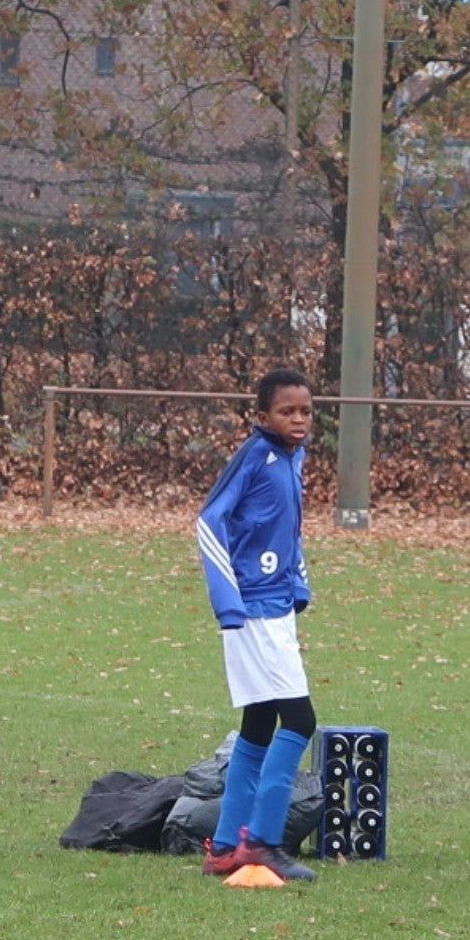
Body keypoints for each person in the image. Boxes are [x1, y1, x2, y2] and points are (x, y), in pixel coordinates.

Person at [195, 367, 320, 883]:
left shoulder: (294, 458)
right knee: (300, 722)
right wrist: (229, 602)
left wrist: (298, 583)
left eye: (306, 411)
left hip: (277, 606)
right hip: (255, 611)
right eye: (287, 411)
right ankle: (264, 842)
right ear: (263, 416)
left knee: (259, 724)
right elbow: (209, 520)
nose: (298, 419)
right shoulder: (254, 456)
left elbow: (286, 531)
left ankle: (226, 846)